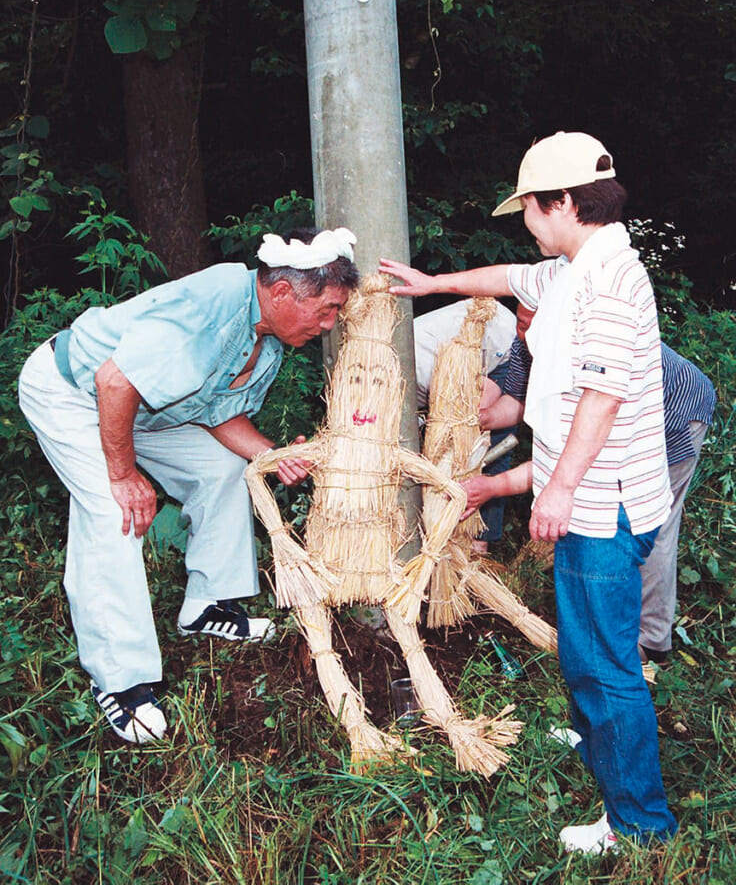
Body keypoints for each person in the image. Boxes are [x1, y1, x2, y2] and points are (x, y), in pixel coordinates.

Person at [380, 131, 678, 852]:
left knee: (606, 659)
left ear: (566, 203)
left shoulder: (609, 282)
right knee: (584, 643)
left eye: (531, 210)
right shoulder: (579, 264)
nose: (526, 224)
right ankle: (596, 740)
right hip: (593, 495)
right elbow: (510, 276)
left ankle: (640, 825)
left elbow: (602, 400)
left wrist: (558, 488)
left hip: (600, 501)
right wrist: (432, 285)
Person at [18, 227, 359, 744]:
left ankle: (209, 605)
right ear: (284, 291)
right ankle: (121, 681)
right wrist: (123, 474)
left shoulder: (265, 338)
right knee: (117, 511)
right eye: (328, 309)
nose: (330, 323)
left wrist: (274, 456)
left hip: (143, 412)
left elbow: (218, 416)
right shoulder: (215, 302)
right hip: (74, 392)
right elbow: (115, 381)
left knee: (222, 467)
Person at [464, 335, 716, 663]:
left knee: (648, 521)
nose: (526, 328)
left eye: (532, 320)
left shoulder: (585, 348)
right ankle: (603, 619)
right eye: (522, 320)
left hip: (677, 407)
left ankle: (651, 638)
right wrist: (476, 419)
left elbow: (571, 456)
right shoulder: (528, 338)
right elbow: (517, 401)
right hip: (618, 413)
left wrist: (493, 486)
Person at [413, 299, 517, 544]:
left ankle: (477, 543)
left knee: (481, 441)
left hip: (496, 342)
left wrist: (478, 420)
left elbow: (510, 408)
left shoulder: (416, 370)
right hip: (449, 357)